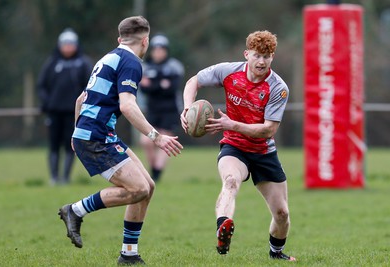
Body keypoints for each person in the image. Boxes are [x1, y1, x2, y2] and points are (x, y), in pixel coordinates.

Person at [57, 16, 183, 265]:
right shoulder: (131, 63)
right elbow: (127, 105)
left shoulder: (108, 58)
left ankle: (129, 254)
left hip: (98, 134)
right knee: (138, 189)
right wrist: (155, 137)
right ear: (145, 41)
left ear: (120, 39)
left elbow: (80, 99)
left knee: (148, 187)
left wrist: (75, 130)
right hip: (96, 137)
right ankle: (75, 210)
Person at [180, 30, 296, 261]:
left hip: (263, 151)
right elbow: (194, 81)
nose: (261, 61)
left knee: (282, 214)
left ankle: (276, 253)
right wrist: (187, 107)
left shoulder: (277, 88)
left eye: (267, 56)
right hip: (234, 147)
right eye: (256, 55)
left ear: (272, 57)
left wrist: (230, 124)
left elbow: (268, 130)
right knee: (230, 182)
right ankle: (223, 227)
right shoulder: (228, 71)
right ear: (246, 55)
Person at [37, 28, 93, 185]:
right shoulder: (52, 63)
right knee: (54, 145)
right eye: (65, 44)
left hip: (73, 113)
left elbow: (90, 85)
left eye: (71, 44)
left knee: (71, 144)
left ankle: (65, 178)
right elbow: (41, 85)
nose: (68, 47)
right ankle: (54, 177)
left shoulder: (83, 63)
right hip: (54, 112)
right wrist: (47, 102)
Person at [139, 34, 185, 182]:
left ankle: (156, 175)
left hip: (170, 110)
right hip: (152, 110)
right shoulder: (146, 67)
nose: (158, 52)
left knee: (166, 142)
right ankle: (154, 170)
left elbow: (172, 88)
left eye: (162, 49)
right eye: (156, 49)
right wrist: (161, 85)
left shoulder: (174, 66)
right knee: (146, 141)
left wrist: (153, 85)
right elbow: (144, 88)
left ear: (166, 50)